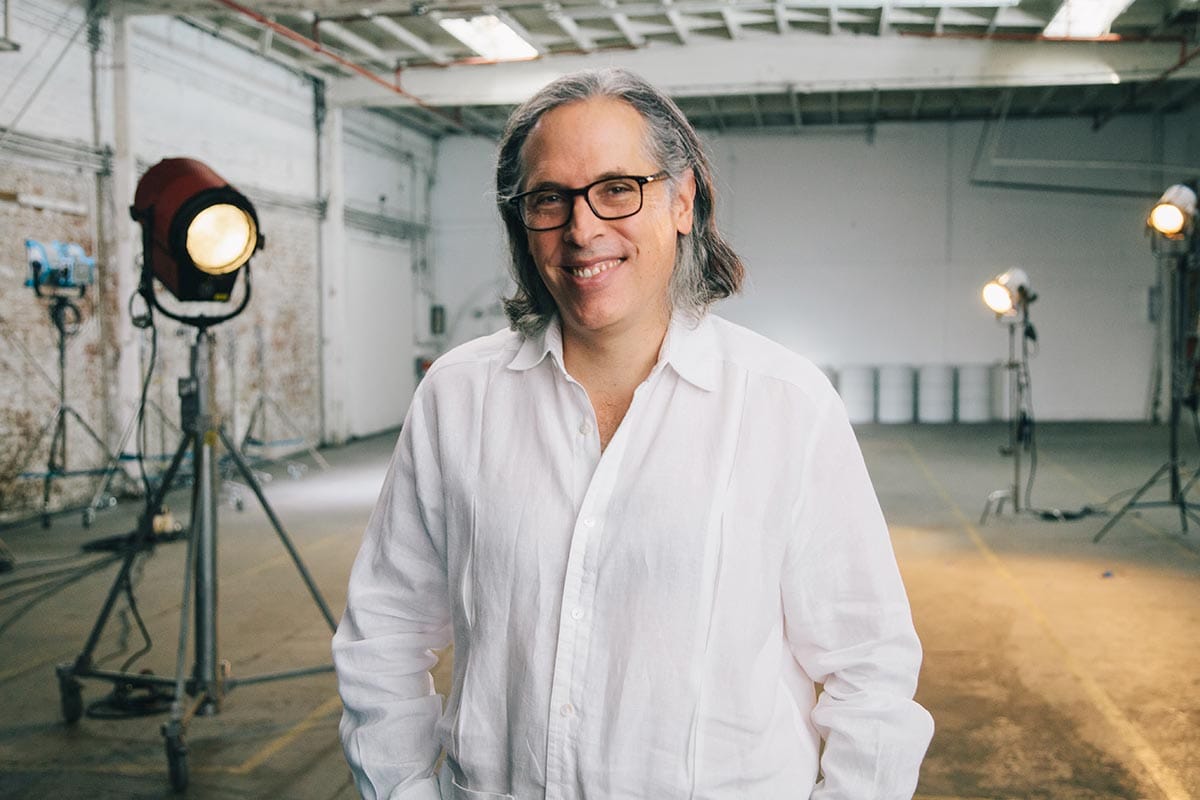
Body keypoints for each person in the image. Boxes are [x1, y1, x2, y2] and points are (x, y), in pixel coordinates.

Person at [333, 68, 934, 800]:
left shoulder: (785, 406)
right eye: (548, 198)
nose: (583, 229)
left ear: (682, 202)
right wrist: (402, 790)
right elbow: (385, 634)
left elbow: (867, 669)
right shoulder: (458, 398)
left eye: (618, 189)